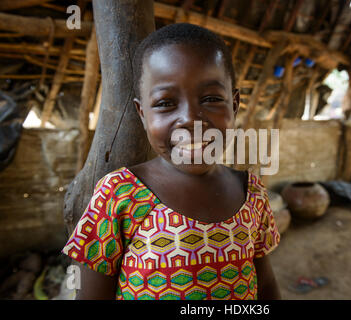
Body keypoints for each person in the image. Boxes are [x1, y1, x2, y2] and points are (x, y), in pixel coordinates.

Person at [62, 23, 281, 300]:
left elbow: (267, 285)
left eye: (212, 98)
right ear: (142, 114)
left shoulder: (253, 192)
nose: (190, 118)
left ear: (234, 105)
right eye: (165, 103)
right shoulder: (119, 194)